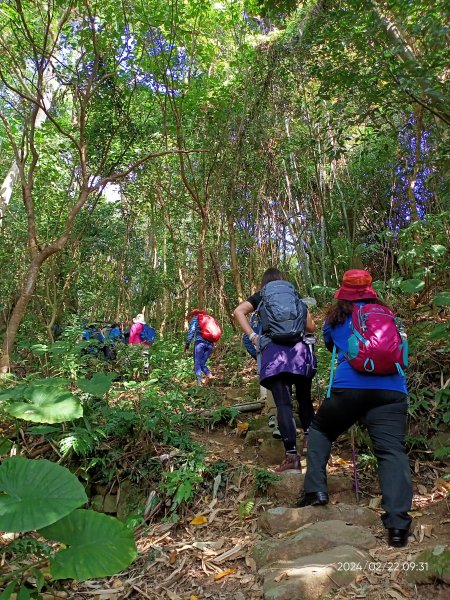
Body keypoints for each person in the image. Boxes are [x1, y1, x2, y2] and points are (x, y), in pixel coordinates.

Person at [299, 269, 412, 549]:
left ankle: (316, 491)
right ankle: (397, 528)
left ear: (343, 291)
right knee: (391, 451)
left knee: (320, 430)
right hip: (392, 390)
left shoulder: (336, 318)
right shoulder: (387, 315)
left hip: (349, 388)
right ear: (371, 290)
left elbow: (329, 345)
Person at [234, 268, 317, 472]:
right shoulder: (294, 294)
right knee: (305, 399)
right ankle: (312, 445)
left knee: (283, 404)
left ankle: (292, 458)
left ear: (264, 283)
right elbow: (311, 327)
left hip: (275, 354)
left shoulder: (261, 296)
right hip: (299, 353)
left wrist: (253, 336)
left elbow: (238, 311)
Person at [242, 314, 280, 439]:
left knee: (269, 380)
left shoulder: (257, 313)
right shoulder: (283, 309)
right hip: (285, 352)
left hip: (266, 351)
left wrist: (258, 354)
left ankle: (272, 414)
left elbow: (247, 338)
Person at [185, 309, 216, 385]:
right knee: (202, 363)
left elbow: (191, 331)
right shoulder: (209, 319)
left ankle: (199, 383)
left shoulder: (196, 318)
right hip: (210, 344)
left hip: (200, 343)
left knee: (197, 363)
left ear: (193, 315)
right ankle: (209, 375)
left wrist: (187, 344)